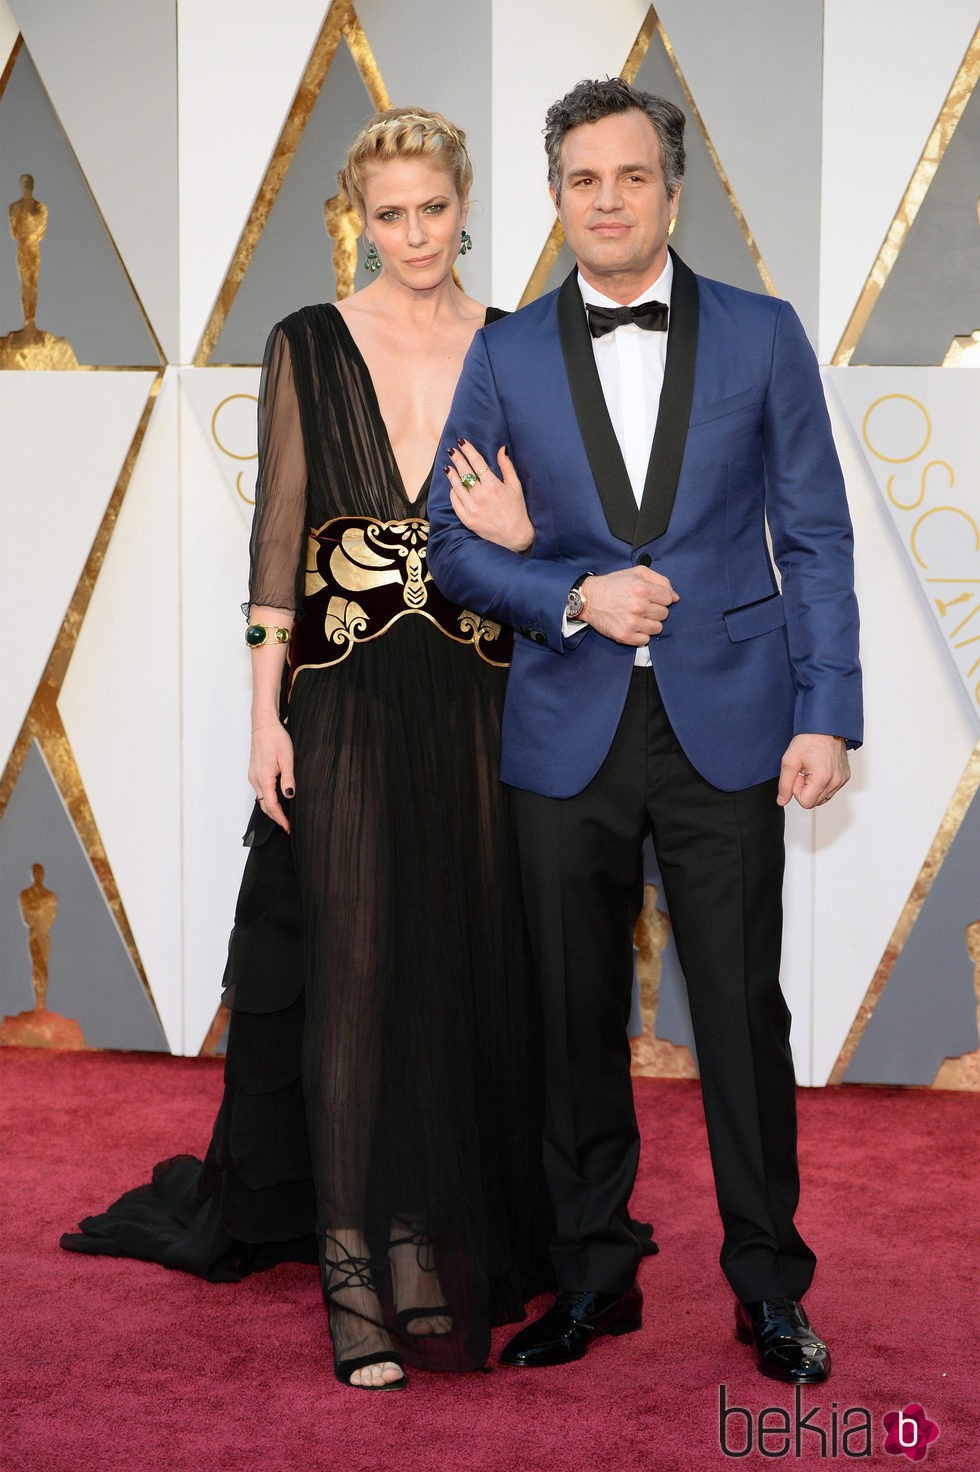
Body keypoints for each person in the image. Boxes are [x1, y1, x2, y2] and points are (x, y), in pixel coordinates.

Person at [62, 106, 554, 1393]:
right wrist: (263, 712)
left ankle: (414, 1243)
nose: (413, 236)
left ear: (464, 205)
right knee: (351, 975)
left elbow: (552, 540)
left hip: (474, 700)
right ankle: (350, 1267)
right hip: (339, 702)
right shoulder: (307, 342)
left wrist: (516, 535)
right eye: (387, 215)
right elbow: (277, 542)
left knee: (446, 974)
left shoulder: (514, 346)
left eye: (432, 211)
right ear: (359, 218)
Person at [428, 78, 862, 1385]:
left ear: (673, 191)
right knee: (574, 1022)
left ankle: (770, 1290)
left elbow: (819, 536)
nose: (605, 201)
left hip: (731, 724)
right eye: (580, 181)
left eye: (629, 177)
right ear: (555, 199)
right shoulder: (504, 355)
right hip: (568, 728)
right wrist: (568, 591)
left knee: (738, 1016)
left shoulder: (764, 334)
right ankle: (590, 1280)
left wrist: (827, 710)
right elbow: (447, 545)